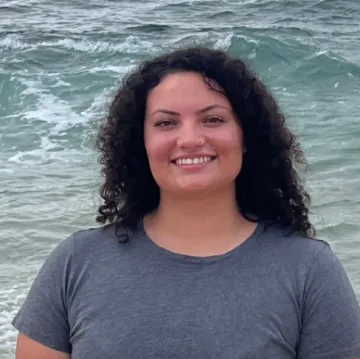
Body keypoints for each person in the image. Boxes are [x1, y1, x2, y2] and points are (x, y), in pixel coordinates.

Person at [12, 47, 360, 359]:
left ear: (247, 136)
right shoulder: (76, 262)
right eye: (166, 123)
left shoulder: (309, 270)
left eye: (213, 119)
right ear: (141, 142)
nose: (190, 139)